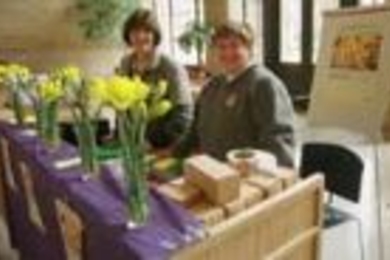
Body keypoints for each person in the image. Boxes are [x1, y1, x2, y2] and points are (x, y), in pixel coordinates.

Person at [175, 21, 295, 167]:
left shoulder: (264, 84)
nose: (228, 52)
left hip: (247, 179)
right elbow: (195, 130)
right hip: (213, 172)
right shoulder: (212, 86)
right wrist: (174, 151)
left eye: (235, 45)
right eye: (222, 47)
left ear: (249, 49)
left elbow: (278, 144)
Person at [117, 9, 194, 149]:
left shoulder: (171, 67)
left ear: (155, 35)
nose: (140, 36)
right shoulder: (125, 63)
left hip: (166, 146)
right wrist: (119, 133)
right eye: (135, 31)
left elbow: (183, 117)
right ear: (128, 35)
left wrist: (151, 141)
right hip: (134, 143)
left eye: (147, 31)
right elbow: (122, 105)